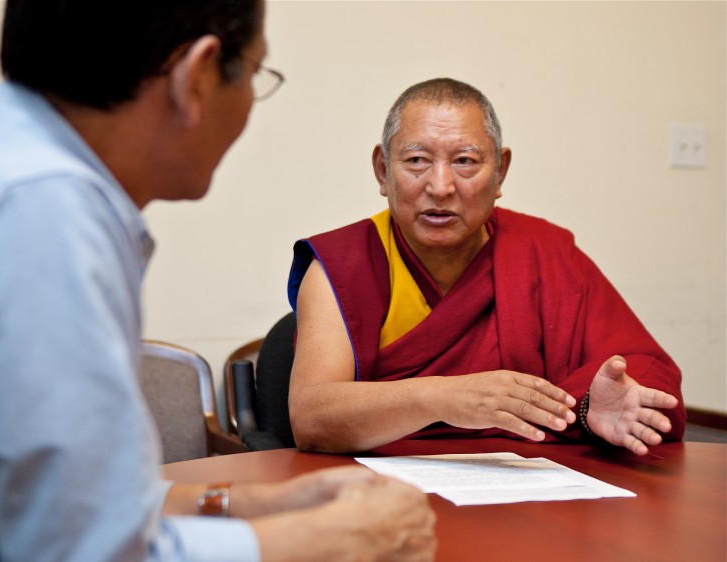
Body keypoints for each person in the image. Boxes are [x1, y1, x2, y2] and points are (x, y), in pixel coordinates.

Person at [0, 1, 437, 561]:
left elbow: (70, 500)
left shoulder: (11, 168)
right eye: (255, 74)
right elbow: (75, 549)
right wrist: (325, 541)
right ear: (196, 75)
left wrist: (244, 503)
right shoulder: (43, 214)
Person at [288, 77, 685, 456]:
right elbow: (311, 416)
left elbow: (644, 374)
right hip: (382, 484)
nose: (440, 187)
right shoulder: (342, 266)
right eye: (416, 160)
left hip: (526, 484)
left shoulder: (542, 252)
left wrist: (588, 409)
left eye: (465, 161)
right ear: (382, 170)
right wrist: (443, 396)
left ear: (500, 172)